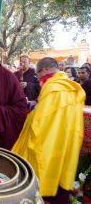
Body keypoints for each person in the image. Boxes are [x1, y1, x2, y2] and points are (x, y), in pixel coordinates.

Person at [12, 57, 85, 203]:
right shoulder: (69, 85)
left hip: (50, 141)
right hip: (66, 139)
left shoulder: (53, 87)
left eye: (38, 74)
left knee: (45, 175)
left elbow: (40, 120)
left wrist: (30, 117)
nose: (37, 78)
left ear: (45, 70)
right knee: (61, 175)